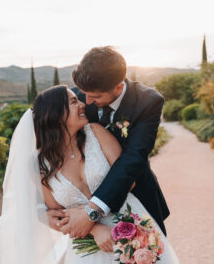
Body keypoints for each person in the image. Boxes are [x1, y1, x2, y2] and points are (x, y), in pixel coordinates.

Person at [49, 46, 170, 240]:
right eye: (82, 93)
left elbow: (133, 158)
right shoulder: (75, 98)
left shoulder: (148, 102)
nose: (86, 102)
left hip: (137, 200)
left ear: (119, 88)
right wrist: (44, 212)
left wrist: (92, 211)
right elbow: (44, 123)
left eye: (95, 97)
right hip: (90, 224)